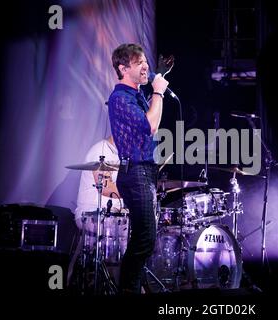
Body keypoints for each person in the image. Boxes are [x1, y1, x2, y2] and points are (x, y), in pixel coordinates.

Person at [108, 43, 169, 294]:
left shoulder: (136, 95)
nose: (146, 66)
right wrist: (159, 92)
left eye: (146, 61)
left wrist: (159, 82)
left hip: (144, 171)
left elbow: (153, 121)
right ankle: (128, 291)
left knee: (144, 238)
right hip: (135, 172)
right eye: (139, 63)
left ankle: (132, 289)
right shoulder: (120, 98)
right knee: (145, 239)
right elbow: (151, 125)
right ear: (123, 69)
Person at [74, 135, 122, 231]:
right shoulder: (101, 151)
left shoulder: (120, 154)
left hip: (113, 213)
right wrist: (135, 195)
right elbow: (106, 188)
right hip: (92, 213)